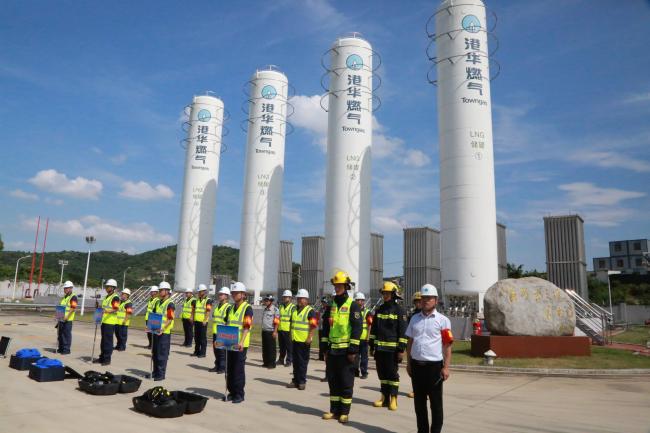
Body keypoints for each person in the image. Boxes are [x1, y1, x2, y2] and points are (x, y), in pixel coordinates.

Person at [406, 284, 453, 433]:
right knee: (419, 404)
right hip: (416, 366)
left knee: (436, 405)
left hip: (434, 368)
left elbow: (447, 345)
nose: (426, 300)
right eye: (424, 298)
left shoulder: (443, 320)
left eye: (429, 298)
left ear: (436, 300)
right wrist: (409, 363)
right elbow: (410, 342)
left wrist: (446, 367)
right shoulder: (414, 319)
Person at [322, 271, 362, 424]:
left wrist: (353, 350)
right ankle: (334, 411)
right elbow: (326, 328)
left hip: (346, 352)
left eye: (340, 285)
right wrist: (324, 348)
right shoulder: (331, 306)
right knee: (333, 382)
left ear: (346, 286)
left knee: (346, 382)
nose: (337, 287)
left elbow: (357, 329)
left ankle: (344, 412)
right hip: (333, 351)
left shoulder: (353, 305)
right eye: (336, 285)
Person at [369, 281, 407, 411]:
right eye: (384, 293)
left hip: (392, 350)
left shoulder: (399, 310)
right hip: (380, 349)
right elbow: (374, 329)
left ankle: (394, 398)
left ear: (394, 294)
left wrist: (401, 349)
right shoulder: (379, 309)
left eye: (387, 293)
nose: (385, 295)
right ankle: (384, 398)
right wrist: (372, 346)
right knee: (382, 374)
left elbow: (403, 332)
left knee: (392, 374)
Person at [224, 281, 253, 404]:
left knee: (238, 369)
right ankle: (231, 392)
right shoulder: (230, 308)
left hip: (240, 344)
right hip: (230, 342)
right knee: (229, 368)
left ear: (243, 294)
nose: (234, 295)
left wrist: (241, 342)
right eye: (233, 293)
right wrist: (221, 340)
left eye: (236, 293)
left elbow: (247, 326)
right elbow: (226, 324)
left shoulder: (247, 308)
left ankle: (239, 394)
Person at [287, 289, 317, 390]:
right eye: (298, 298)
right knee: (295, 362)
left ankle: (302, 381)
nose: (299, 300)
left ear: (306, 300)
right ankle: (295, 380)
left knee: (302, 362)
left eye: (301, 299)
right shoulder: (294, 310)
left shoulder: (310, 311)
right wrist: (290, 335)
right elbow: (292, 324)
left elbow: (313, 326)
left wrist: (310, 337)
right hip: (295, 339)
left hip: (304, 341)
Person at [152, 281, 175, 381]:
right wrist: (150, 327)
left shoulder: (170, 304)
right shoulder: (158, 302)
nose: (160, 292)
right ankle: (155, 372)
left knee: (162, 354)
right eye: (160, 290)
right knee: (155, 353)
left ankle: (161, 374)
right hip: (156, 331)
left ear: (167, 291)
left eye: (161, 290)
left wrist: (163, 328)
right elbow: (154, 316)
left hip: (164, 332)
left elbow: (170, 319)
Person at [93, 278, 120, 366]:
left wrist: (106, 311)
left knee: (108, 342)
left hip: (110, 323)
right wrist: (99, 307)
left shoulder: (115, 297)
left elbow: (116, 309)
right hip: (104, 321)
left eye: (108, 286)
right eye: (106, 286)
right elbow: (104, 308)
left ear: (112, 287)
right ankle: (102, 357)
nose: (106, 288)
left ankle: (107, 359)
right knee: (103, 341)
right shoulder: (107, 297)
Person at [209, 286, 232, 373]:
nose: (220, 296)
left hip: (223, 332)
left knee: (222, 352)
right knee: (216, 350)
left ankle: (222, 367)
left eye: (221, 294)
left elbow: (228, 321)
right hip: (215, 331)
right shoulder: (217, 306)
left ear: (226, 296)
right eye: (219, 294)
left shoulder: (228, 307)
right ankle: (217, 365)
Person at [354, 292, 372, 379]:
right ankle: (355, 372)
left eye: (361, 300)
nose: (360, 302)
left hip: (364, 338)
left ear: (364, 301)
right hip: (355, 338)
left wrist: (368, 336)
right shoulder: (353, 311)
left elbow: (369, 325)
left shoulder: (367, 312)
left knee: (364, 357)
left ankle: (364, 372)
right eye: (358, 300)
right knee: (355, 356)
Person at [407, 291, 422, 399]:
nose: (418, 303)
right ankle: (415, 390)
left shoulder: (426, 314)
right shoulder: (412, 315)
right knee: (414, 371)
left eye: (419, 301)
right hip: (414, 345)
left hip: (424, 346)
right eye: (416, 301)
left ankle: (426, 391)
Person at [56, 280, 77, 355]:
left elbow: (73, 308)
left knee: (66, 335)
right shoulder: (65, 297)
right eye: (64, 288)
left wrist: (67, 316)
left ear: (71, 288)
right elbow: (61, 307)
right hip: (61, 318)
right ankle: (61, 348)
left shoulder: (73, 297)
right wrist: (58, 316)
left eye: (66, 288)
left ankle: (66, 349)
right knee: (60, 334)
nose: (65, 289)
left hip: (68, 319)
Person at [192, 284, 212, 357]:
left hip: (203, 322)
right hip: (197, 321)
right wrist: (192, 318)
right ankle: (196, 351)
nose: (199, 293)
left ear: (204, 291)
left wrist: (205, 320)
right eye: (198, 292)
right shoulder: (197, 300)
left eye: (200, 291)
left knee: (202, 338)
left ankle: (203, 353)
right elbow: (194, 310)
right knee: (196, 337)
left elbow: (208, 311)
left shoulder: (208, 300)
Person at [261, 294, 279, 369]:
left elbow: (277, 322)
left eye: (267, 300)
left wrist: (275, 331)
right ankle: (266, 362)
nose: (265, 301)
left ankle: (272, 364)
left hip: (271, 331)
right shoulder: (265, 309)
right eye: (265, 300)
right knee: (265, 348)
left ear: (271, 301)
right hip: (264, 331)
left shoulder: (275, 310)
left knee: (271, 349)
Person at [277, 290, 295, 367]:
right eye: (284, 297)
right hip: (280, 329)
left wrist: (291, 330)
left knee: (289, 347)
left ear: (290, 298)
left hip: (288, 330)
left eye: (286, 297)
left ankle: (289, 360)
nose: (284, 298)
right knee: (281, 346)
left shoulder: (293, 307)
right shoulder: (280, 306)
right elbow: (278, 317)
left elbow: (293, 320)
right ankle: (281, 359)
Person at [318, 296, 330, 362]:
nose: (323, 303)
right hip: (320, 328)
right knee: (320, 343)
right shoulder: (320, 309)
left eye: (324, 302)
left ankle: (326, 355)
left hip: (326, 329)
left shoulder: (329, 309)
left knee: (325, 342)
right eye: (322, 302)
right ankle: (321, 356)